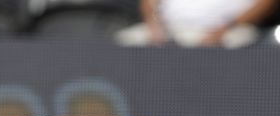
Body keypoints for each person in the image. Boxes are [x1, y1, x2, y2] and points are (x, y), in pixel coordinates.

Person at [115, 0, 278, 48]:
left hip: (229, 30)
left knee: (240, 41)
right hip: (170, 29)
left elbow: (267, 3)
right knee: (124, 41)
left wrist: (225, 28)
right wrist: (153, 24)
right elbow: (149, 3)